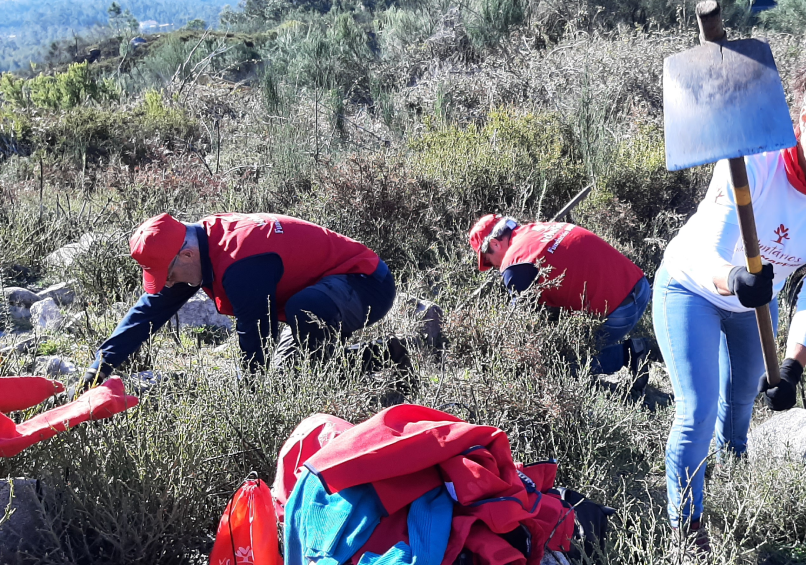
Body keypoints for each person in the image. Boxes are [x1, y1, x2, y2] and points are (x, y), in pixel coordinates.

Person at [653, 50, 806, 540]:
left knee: (739, 405)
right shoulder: (750, 162)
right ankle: (685, 529)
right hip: (692, 286)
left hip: (757, 302)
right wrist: (733, 278)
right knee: (696, 409)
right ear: (802, 121)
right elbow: (704, 252)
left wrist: (795, 364)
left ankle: (730, 483)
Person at [79, 212, 395, 390]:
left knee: (301, 354)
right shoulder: (197, 245)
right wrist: (99, 369)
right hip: (323, 290)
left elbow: (256, 336)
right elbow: (149, 312)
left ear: (187, 255)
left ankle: (385, 357)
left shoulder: (239, 261)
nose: (170, 283)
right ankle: (374, 356)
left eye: (169, 274)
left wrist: (247, 401)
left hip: (367, 284)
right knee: (288, 377)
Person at [467, 215, 654, 377]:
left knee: (556, 363)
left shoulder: (515, 262)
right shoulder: (542, 227)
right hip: (641, 287)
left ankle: (629, 355)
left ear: (495, 244)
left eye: (489, 261)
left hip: (620, 311)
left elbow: (520, 325)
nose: (494, 267)